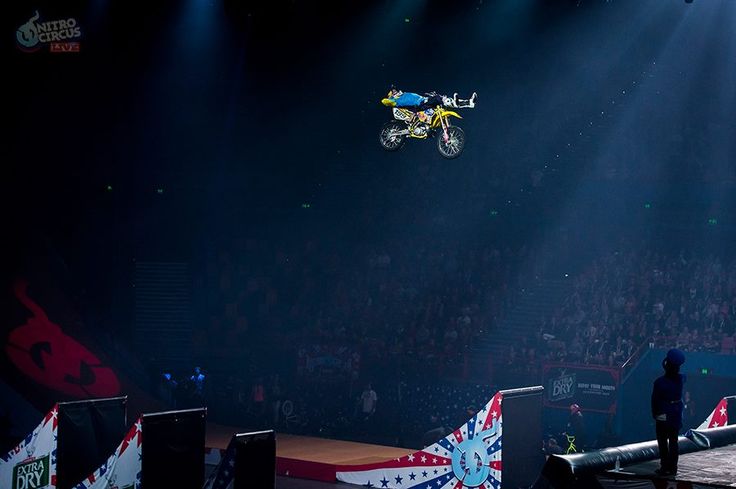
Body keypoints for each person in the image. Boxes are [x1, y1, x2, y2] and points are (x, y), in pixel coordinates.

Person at [651, 348, 686, 476]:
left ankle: (664, 466)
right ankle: (673, 467)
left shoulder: (659, 382)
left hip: (663, 413)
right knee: (673, 441)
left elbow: (654, 400)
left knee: (662, 441)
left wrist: (654, 414)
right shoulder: (681, 379)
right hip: (676, 414)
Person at [382, 87, 478, 110]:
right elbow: (385, 102)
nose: (396, 91)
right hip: (419, 105)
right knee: (437, 98)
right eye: (393, 91)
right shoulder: (395, 101)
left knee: (441, 99)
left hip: (423, 101)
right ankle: (454, 103)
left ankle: (469, 103)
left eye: (395, 90)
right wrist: (389, 98)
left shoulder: (404, 94)